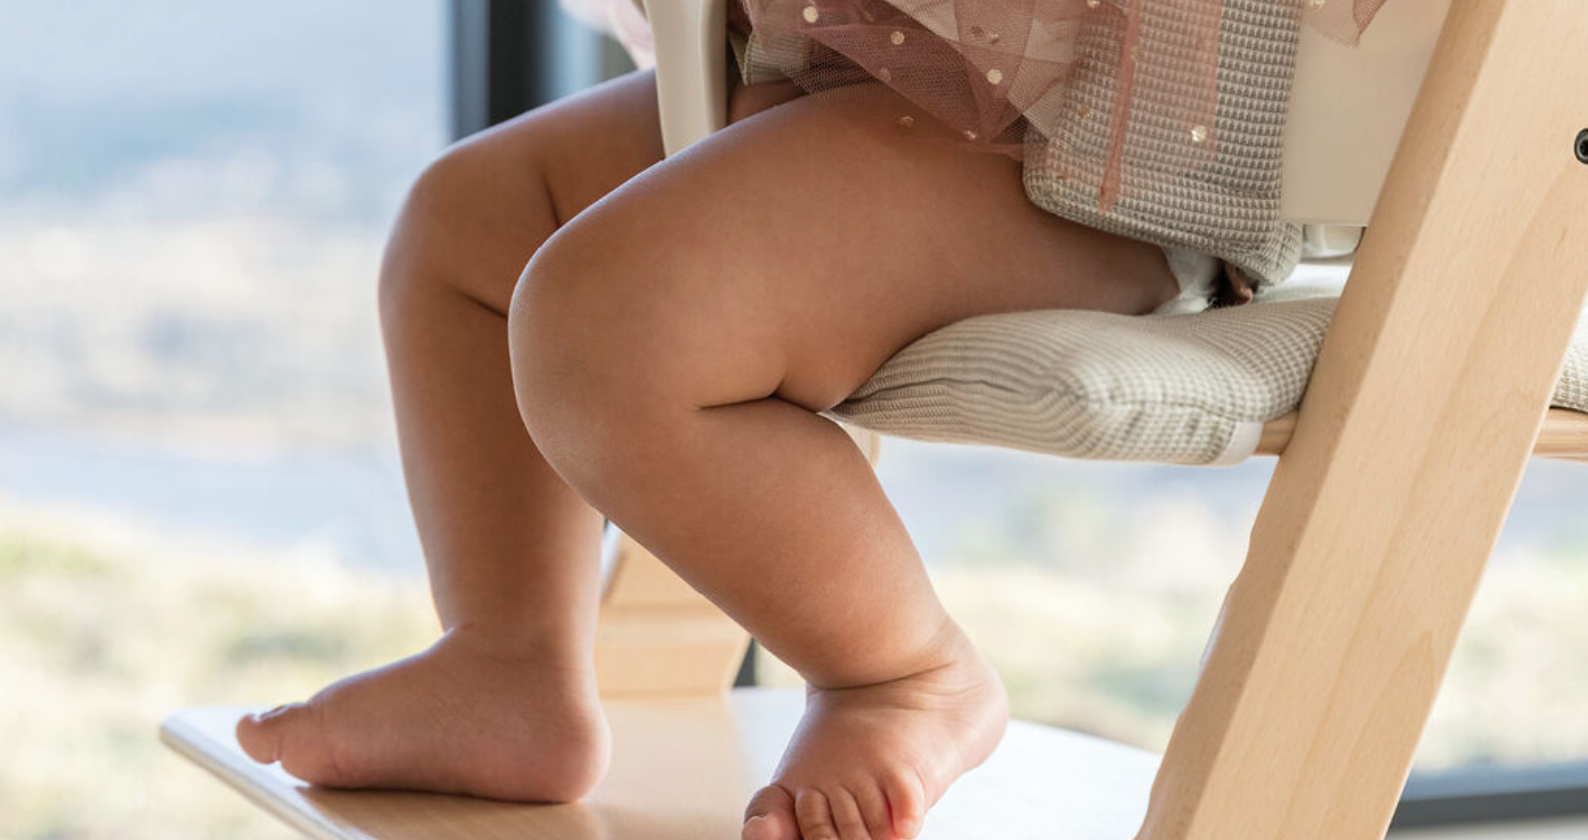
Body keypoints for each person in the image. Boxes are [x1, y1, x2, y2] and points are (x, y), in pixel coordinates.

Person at [231, 4, 1260, 840]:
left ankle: (902, 675)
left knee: (615, 322)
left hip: (1098, 137)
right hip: (839, 67)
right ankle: (507, 656)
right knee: (468, 217)